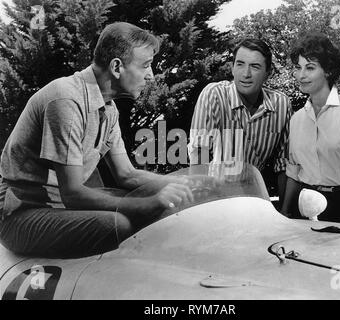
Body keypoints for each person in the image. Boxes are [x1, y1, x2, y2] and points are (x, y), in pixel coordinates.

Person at [0, 22, 197, 258]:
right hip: (23, 214)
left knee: (152, 209)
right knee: (117, 224)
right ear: (117, 67)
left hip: (60, 209)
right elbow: (72, 193)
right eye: (145, 65)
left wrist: (185, 185)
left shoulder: (109, 109)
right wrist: (150, 203)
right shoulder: (66, 100)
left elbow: (128, 175)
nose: (151, 76)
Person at [281, 32, 340, 225]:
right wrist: (284, 211)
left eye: (309, 68)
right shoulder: (297, 119)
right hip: (303, 205)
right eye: (298, 68)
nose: (301, 75)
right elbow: (293, 170)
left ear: (328, 70)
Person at [188, 38, 292, 204]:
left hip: (255, 198)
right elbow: (199, 154)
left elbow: (284, 164)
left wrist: (286, 211)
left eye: (255, 66)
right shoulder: (214, 95)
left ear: (268, 72)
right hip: (215, 197)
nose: (246, 74)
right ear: (232, 68)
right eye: (240, 64)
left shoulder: (281, 104)